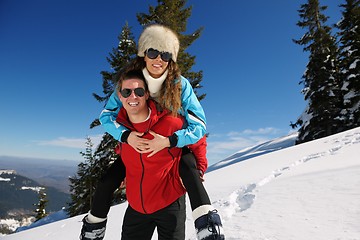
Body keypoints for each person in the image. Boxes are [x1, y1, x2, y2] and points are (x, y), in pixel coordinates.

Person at [80, 24, 224, 240]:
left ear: (171, 59)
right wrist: (126, 137)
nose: (159, 59)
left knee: (187, 163)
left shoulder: (180, 85)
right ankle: (94, 227)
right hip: (135, 145)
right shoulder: (131, 82)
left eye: (165, 55)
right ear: (144, 54)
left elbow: (199, 126)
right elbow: (107, 115)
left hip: (172, 143)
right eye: (153, 52)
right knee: (108, 180)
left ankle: (207, 224)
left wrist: (169, 141)